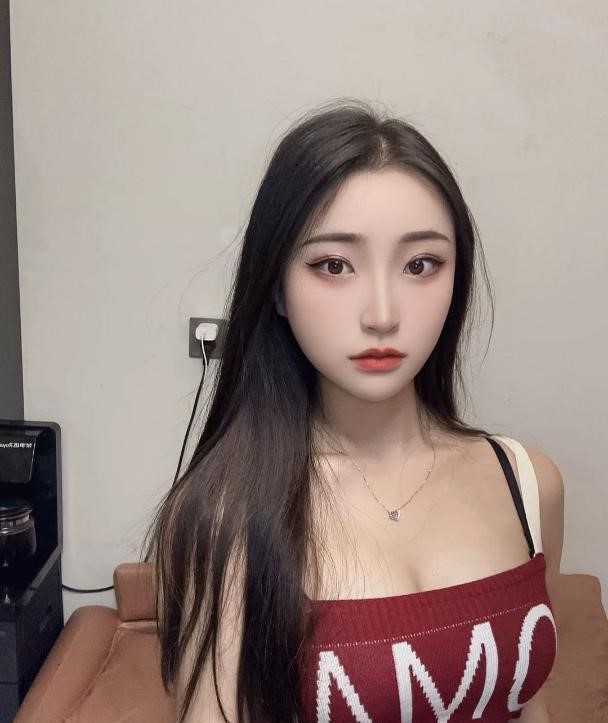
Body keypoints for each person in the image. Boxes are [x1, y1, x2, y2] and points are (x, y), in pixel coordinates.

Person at [142, 99, 565, 723]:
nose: (382, 314)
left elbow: (529, 702)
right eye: (333, 265)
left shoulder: (527, 483)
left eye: (421, 264)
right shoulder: (224, 518)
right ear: (277, 287)